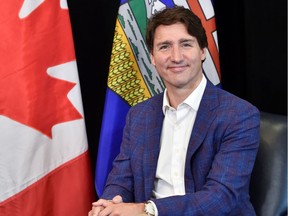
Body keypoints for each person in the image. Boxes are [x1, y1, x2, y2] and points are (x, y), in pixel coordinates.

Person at [89, 6, 260, 216]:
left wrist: (147, 210)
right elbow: (121, 180)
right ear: (152, 57)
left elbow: (221, 197)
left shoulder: (239, 114)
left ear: (203, 51)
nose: (176, 57)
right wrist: (110, 204)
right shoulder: (139, 115)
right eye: (164, 47)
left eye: (186, 44)